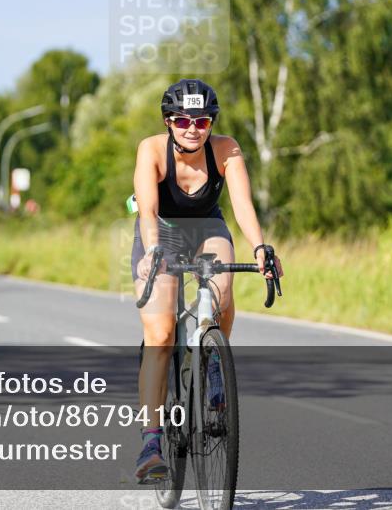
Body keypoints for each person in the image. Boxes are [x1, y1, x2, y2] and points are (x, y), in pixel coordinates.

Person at [130, 79, 283, 483]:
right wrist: (150, 253)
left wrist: (261, 248)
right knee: (161, 333)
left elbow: (243, 204)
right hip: (160, 230)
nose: (192, 128)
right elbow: (146, 209)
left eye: (201, 120)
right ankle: (151, 442)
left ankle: (213, 359)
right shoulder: (151, 150)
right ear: (168, 121)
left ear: (211, 122)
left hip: (207, 227)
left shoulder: (226, 150)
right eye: (182, 120)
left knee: (221, 291)